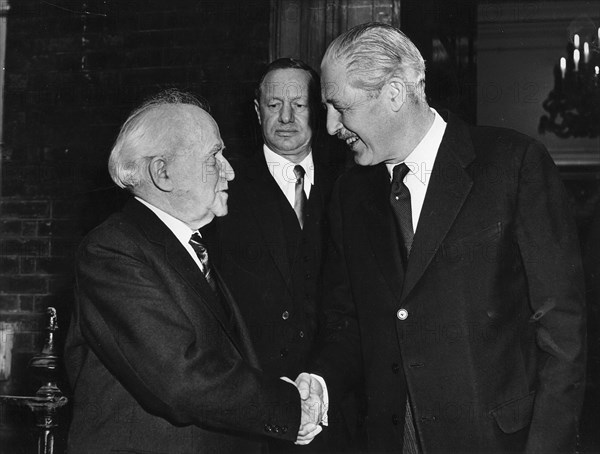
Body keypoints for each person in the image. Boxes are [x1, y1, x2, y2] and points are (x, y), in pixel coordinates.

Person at [297, 22, 587, 453]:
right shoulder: (349, 194)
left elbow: (562, 331)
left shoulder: (512, 164)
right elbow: (347, 320)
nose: (330, 126)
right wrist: (319, 379)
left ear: (394, 93)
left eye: (340, 107)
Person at [64, 89, 322, 454]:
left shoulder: (192, 246)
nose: (229, 171)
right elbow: (180, 378)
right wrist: (289, 406)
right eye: (214, 156)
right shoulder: (112, 250)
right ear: (163, 172)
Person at [207, 58, 349, 453]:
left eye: (299, 105)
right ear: (257, 111)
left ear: (318, 111)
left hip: (339, 410)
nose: (286, 117)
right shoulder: (223, 187)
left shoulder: (352, 183)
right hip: (255, 418)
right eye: (273, 105)